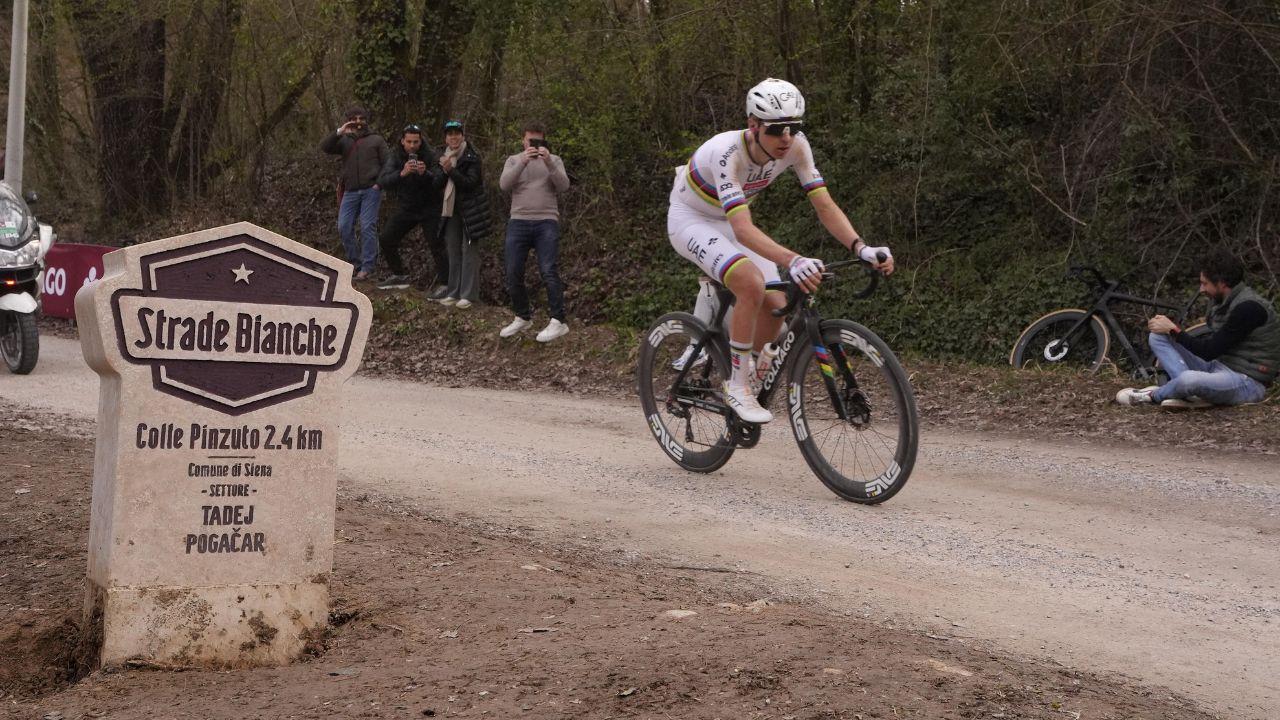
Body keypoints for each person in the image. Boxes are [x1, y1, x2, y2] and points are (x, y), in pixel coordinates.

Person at [667, 78, 894, 423]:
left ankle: (753, 373)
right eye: (776, 129)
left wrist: (860, 246)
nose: (786, 137)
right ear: (753, 125)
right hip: (692, 219)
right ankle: (738, 387)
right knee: (749, 282)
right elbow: (743, 230)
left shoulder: (797, 147)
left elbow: (824, 205)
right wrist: (793, 259)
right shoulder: (727, 152)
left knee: (776, 308)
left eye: (793, 127)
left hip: (730, 219)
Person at [1117, 249, 1280, 408]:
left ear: (1222, 283)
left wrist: (1174, 330)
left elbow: (1209, 351)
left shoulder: (1249, 308)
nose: (1201, 289)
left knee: (1189, 379)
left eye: (1204, 283)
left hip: (1247, 382)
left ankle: (1152, 396)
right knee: (1157, 336)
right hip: (1219, 367)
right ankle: (1187, 395)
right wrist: (1168, 330)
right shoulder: (1225, 301)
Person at [498, 121, 572, 342]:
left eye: (538, 140)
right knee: (512, 271)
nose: (534, 144)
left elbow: (564, 185)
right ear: (523, 140)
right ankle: (522, 316)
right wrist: (523, 160)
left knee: (548, 270)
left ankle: (558, 320)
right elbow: (504, 184)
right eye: (530, 141)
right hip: (519, 220)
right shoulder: (513, 160)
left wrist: (548, 161)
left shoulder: (554, 160)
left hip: (546, 221)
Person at [375, 124, 447, 293]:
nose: (412, 145)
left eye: (416, 142)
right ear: (402, 141)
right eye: (409, 142)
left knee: (436, 245)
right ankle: (399, 275)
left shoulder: (430, 155)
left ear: (421, 141)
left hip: (430, 207)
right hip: (408, 206)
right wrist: (402, 173)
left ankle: (446, 284)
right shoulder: (396, 156)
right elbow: (383, 180)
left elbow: (440, 180)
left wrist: (425, 173)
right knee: (386, 238)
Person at [320, 106, 388, 281]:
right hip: (350, 191)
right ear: (349, 119)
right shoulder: (344, 141)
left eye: (361, 118)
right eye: (354, 118)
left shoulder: (376, 140)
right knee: (343, 227)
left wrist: (379, 184)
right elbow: (325, 147)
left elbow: (387, 164)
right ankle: (355, 264)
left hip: (370, 190)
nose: (358, 122)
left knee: (367, 227)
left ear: (366, 120)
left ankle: (367, 267)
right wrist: (340, 131)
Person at [436, 120, 491, 309]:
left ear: (463, 136)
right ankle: (453, 292)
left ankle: (468, 294)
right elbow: (436, 184)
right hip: (450, 211)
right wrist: (444, 171)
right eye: (450, 134)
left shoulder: (472, 157)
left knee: (469, 253)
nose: (453, 137)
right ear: (446, 138)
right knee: (453, 251)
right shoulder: (443, 157)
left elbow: (470, 183)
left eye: (457, 134)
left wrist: (451, 171)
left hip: (470, 211)